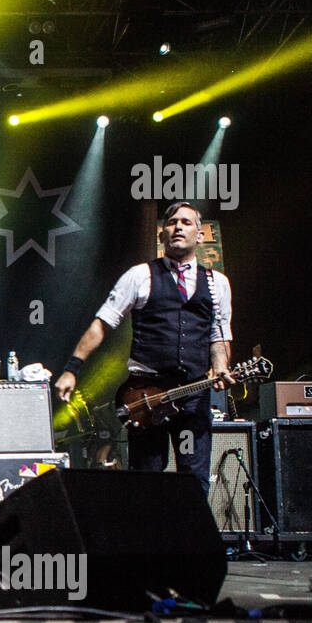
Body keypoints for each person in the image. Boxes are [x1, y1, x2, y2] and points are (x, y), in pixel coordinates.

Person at [54, 201, 234, 495]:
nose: (178, 227)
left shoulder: (218, 283)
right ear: (162, 235)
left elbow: (219, 333)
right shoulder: (140, 276)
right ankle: (150, 539)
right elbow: (103, 323)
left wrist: (222, 367)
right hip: (147, 394)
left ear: (200, 235)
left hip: (193, 393)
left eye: (187, 223)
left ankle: (189, 540)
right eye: (172, 222)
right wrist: (72, 370)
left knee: (195, 478)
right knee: (147, 477)